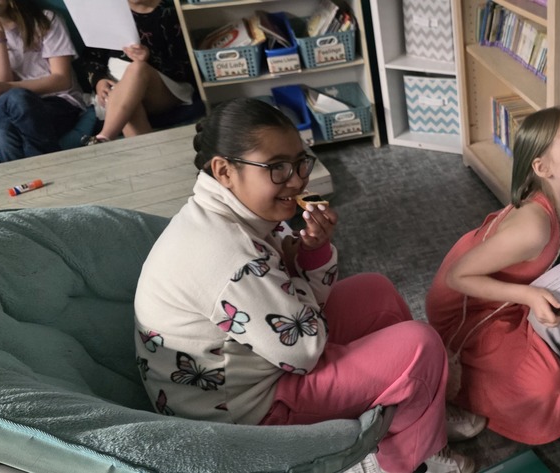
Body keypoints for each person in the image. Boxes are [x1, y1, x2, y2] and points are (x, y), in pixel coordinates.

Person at [133, 98, 473, 473]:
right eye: (277, 167)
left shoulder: (230, 216)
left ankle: (421, 413)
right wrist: (302, 272)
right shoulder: (233, 258)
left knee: (376, 292)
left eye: (299, 162)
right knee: (420, 347)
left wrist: (311, 252)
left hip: (253, 366)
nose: (296, 180)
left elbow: (291, 309)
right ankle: (410, 461)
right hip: (244, 415)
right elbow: (304, 351)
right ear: (224, 171)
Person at [425, 106, 560, 445]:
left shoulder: (559, 202)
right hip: (468, 317)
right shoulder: (533, 226)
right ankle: (446, 386)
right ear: (542, 167)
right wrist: (529, 295)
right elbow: (457, 277)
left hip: (500, 299)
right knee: (548, 392)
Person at [0, 0, 85, 162]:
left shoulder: (45, 19)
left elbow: (62, 80)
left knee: (7, 126)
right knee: (8, 116)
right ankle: (47, 170)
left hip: (58, 102)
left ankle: (34, 173)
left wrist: (8, 87)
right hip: (5, 107)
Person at [81, 0, 194, 144]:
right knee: (128, 99)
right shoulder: (110, 14)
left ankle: (106, 135)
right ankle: (108, 141)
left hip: (164, 88)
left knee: (137, 68)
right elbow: (91, 56)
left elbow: (184, 66)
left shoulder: (168, 12)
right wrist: (99, 80)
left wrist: (149, 58)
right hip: (118, 86)